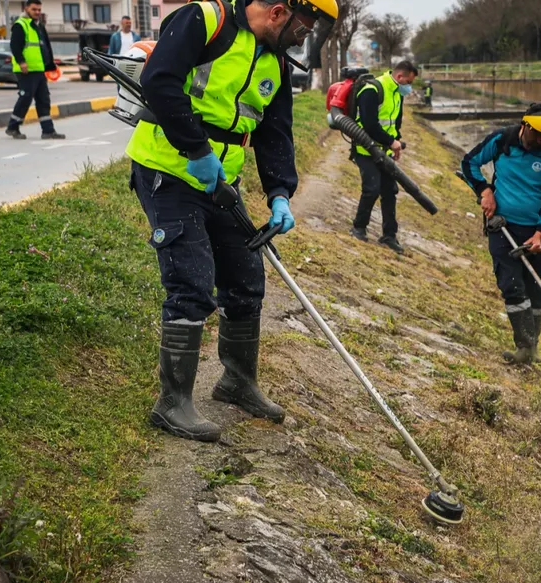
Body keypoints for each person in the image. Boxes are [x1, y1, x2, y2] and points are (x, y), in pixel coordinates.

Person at [125, 0, 339, 442]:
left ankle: (237, 382)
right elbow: (159, 82)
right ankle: (172, 403)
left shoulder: (275, 61)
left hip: (223, 181)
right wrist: (198, 153)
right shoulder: (205, 20)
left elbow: (275, 131)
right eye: (302, 29)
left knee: (245, 279)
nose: (303, 39)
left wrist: (281, 194)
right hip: (169, 168)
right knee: (192, 282)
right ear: (279, 11)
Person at [461, 103, 541, 365]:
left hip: (535, 232)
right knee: (512, 285)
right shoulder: (502, 140)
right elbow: (470, 162)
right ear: (526, 126)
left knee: (536, 290)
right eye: (538, 134)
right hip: (502, 226)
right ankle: (524, 347)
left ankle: (533, 347)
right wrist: (484, 191)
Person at [349, 59, 419, 254]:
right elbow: (370, 125)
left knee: (390, 190)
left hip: (385, 150)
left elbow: (394, 124)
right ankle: (358, 228)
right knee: (371, 188)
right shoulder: (372, 90)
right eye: (409, 82)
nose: (409, 87)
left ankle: (389, 235)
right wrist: (391, 142)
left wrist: (396, 143)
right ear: (399, 77)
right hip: (365, 149)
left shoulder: (397, 93)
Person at [6, 0, 64, 140]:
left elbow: (45, 46)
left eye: (39, 10)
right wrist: (21, 62)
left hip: (38, 69)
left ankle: (48, 131)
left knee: (43, 99)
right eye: (34, 9)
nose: (37, 12)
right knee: (25, 98)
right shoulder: (21, 25)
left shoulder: (38, 26)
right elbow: (15, 46)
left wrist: (50, 64)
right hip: (26, 70)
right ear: (26, 9)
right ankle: (13, 127)